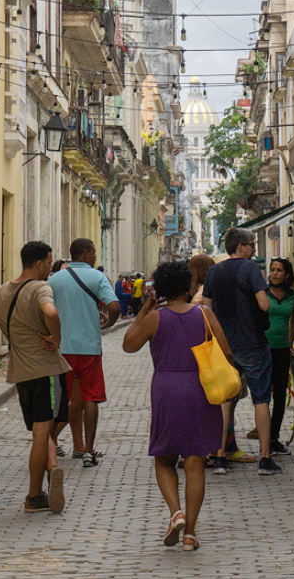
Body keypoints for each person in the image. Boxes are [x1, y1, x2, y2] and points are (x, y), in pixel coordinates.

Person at [0, 241, 71, 514]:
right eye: (49, 262)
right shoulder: (40, 288)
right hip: (45, 370)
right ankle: (34, 495)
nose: (49, 268)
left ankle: (52, 468)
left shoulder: (2, 292)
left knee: (39, 431)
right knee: (43, 433)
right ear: (40, 264)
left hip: (20, 373)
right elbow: (51, 312)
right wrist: (55, 337)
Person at [122, 261, 226, 552]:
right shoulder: (204, 314)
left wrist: (146, 308)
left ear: (161, 289)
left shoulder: (156, 318)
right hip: (199, 387)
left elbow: (128, 344)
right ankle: (190, 534)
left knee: (164, 458)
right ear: (187, 285)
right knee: (194, 462)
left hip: (166, 388)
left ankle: (175, 512)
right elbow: (226, 351)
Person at [202, 227, 280, 476]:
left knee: (225, 399)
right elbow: (264, 304)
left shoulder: (213, 271)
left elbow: (206, 309)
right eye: (251, 244)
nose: (254, 248)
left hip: (224, 346)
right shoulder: (250, 269)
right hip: (253, 343)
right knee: (261, 399)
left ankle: (220, 458)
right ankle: (265, 459)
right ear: (240, 247)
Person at [48, 238, 120, 468]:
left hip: (62, 349)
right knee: (91, 398)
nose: (96, 256)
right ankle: (88, 450)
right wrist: (108, 322)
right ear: (86, 253)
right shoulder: (97, 277)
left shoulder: (54, 279)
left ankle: (48, 444)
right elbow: (115, 306)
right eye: (94, 252)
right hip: (89, 348)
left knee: (59, 401)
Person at [265, 257, 294, 456]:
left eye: (279, 270)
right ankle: (263, 434)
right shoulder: (262, 295)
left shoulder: (292, 296)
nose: (275, 273)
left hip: (282, 350)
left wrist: (290, 343)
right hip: (264, 350)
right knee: (263, 396)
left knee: (280, 395)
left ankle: (274, 437)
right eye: (272, 270)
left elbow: (293, 320)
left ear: (287, 274)